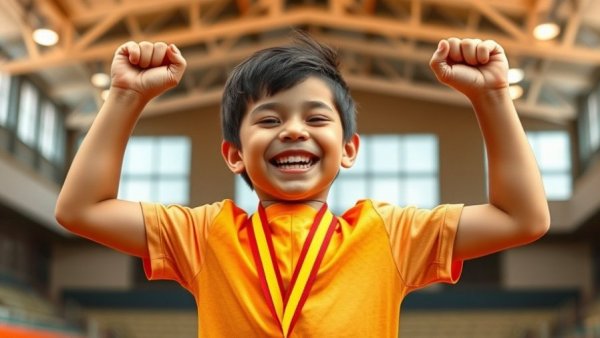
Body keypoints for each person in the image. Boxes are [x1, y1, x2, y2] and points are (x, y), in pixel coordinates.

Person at [55, 31, 550, 337]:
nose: (293, 130)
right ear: (233, 155)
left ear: (349, 149)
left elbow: (522, 218)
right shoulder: (204, 235)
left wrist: (493, 98)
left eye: (316, 118)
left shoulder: (389, 235)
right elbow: (81, 208)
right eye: (268, 121)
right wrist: (123, 96)